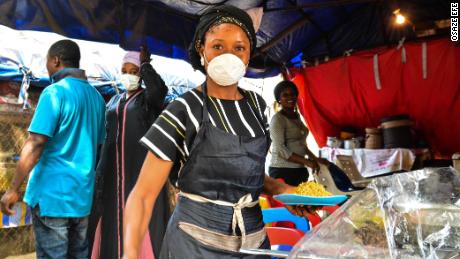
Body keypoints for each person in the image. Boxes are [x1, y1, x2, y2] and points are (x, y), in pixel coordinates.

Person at [122, 6, 315, 259]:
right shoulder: (184, 108)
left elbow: (249, 175)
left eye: (239, 48)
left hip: (253, 243)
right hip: (195, 243)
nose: (229, 56)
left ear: (248, 56)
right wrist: (130, 254)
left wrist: (283, 191)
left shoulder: (257, 106)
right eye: (217, 46)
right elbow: (143, 195)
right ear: (202, 50)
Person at [0, 39, 106, 259]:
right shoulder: (97, 99)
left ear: (56, 60)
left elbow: (36, 143)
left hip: (53, 197)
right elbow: (98, 147)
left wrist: (13, 189)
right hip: (81, 198)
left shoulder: (54, 93)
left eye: (47, 62)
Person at [89, 47, 170, 259]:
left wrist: (146, 67)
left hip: (139, 172)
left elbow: (159, 91)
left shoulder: (147, 101)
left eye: (134, 71)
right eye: (125, 70)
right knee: (111, 220)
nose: (128, 75)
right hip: (112, 176)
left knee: (139, 216)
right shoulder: (114, 101)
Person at [269, 80, 328, 186]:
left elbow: (301, 145)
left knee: (301, 201)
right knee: (290, 202)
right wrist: (307, 162)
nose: (290, 97)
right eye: (285, 95)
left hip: (299, 169)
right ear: (279, 100)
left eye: (292, 94)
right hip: (283, 171)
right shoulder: (278, 119)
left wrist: (316, 159)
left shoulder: (296, 117)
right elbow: (280, 150)